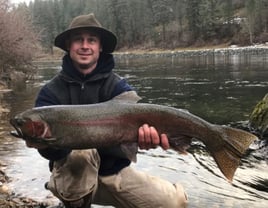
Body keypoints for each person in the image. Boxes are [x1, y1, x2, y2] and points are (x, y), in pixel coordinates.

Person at [27, 13, 188, 208]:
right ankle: (72, 202)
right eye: (78, 39)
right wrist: (44, 145)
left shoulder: (119, 88)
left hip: (115, 174)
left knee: (174, 203)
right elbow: (51, 155)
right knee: (81, 154)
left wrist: (143, 140)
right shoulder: (50, 93)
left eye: (91, 40)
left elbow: (134, 136)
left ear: (100, 47)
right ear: (69, 45)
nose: (85, 45)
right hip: (72, 179)